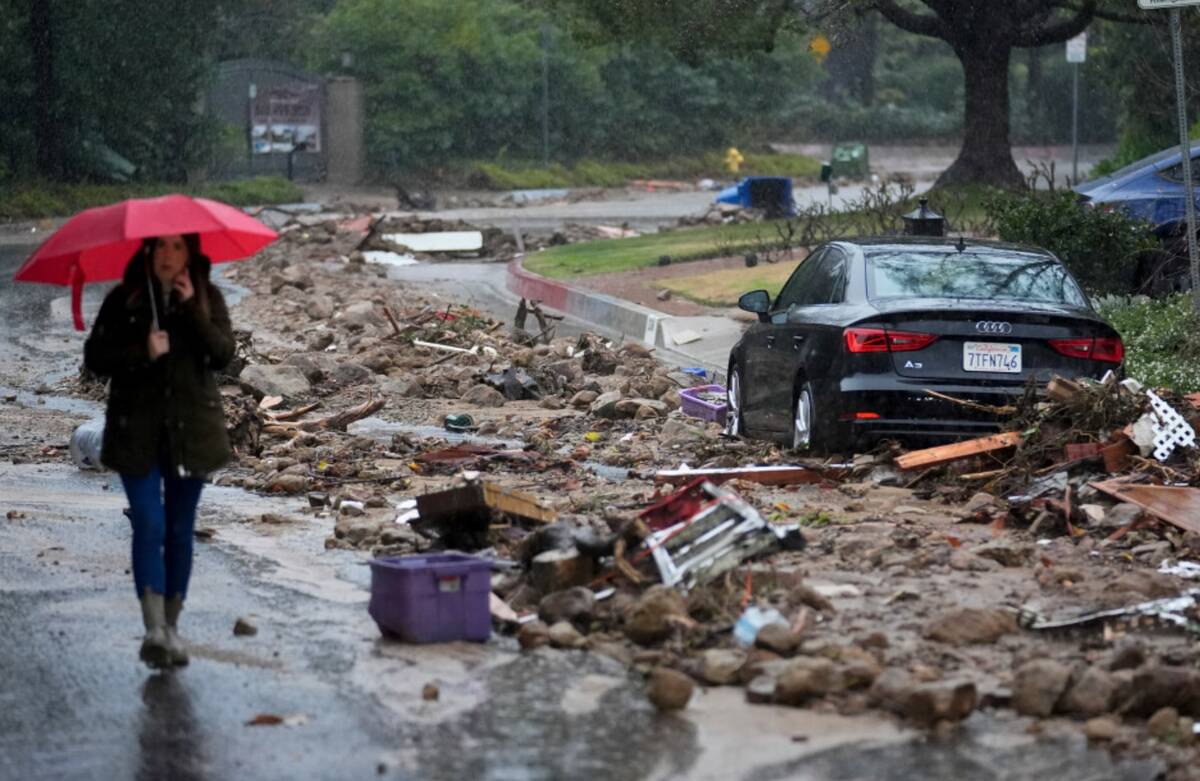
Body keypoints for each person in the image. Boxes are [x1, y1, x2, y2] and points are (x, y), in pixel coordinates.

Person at [84, 233, 235, 669]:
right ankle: (153, 629)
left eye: (177, 247)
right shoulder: (124, 300)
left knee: (178, 530)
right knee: (149, 523)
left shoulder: (208, 296)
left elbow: (223, 355)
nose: (168, 256)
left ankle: (171, 629)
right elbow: (96, 358)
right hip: (137, 432)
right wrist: (141, 351)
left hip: (193, 436)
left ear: (191, 253)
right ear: (147, 251)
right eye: (160, 247)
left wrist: (192, 312)